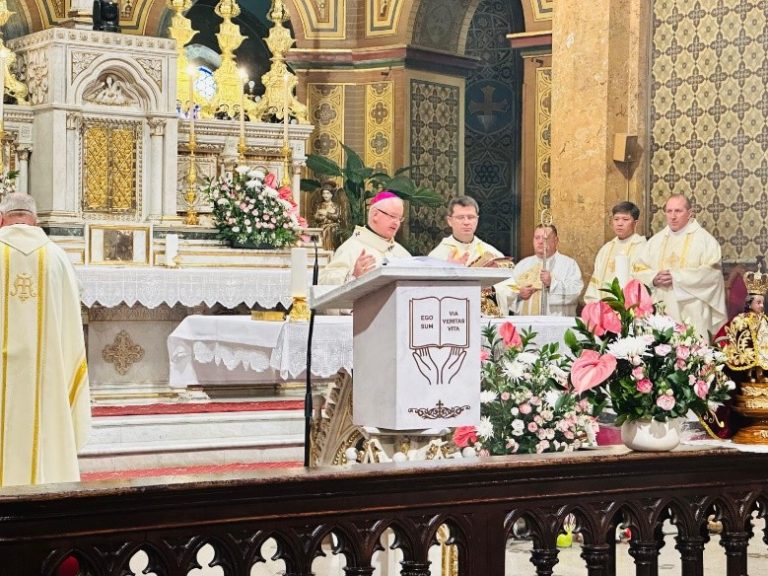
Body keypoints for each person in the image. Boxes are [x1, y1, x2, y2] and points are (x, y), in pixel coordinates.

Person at [0, 193, 91, 486]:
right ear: (34, 219)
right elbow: (70, 330)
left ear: (2, 219)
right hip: (46, 378)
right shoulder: (57, 258)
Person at [632, 194, 727, 338]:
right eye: (669, 211)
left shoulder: (705, 241)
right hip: (661, 310)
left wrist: (676, 277)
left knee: (693, 355)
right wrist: (653, 278)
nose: (673, 216)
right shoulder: (655, 241)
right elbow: (638, 268)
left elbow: (712, 275)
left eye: (678, 211)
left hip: (693, 311)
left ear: (690, 213)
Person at [428, 196, 514, 312]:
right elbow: (430, 293)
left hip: (486, 322)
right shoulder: (437, 256)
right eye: (460, 217)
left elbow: (511, 287)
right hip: (454, 319)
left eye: (471, 217)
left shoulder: (492, 253)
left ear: (477, 219)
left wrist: (488, 288)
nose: (466, 222)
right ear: (449, 221)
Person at [320, 191, 410, 285]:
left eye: (399, 218)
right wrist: (353, 276)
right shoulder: (352, 247)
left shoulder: (401, 252)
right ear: (375, 215)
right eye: (392, 216)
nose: (396, 223)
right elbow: (324, 282)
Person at [503, 224, 583, 316]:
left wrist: (552, 283)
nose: (540, 242)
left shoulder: (569, 265)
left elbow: (575, 293)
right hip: (526, 326)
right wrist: (519, 295)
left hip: (556, 325)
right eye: (537, 238)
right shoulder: (522, 265)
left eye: (545, 238)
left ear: (556, 241)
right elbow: (506, 293)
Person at [584, 201, 647, 302]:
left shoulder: (642, 248)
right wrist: (596, 306)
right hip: (603, 310)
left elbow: (644, 282)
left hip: (628, 310)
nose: (619, 223)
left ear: (635, 223)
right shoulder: (606, 249)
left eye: (625, 219)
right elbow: (595, 284)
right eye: (616, 219)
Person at [313, 183, 342, 251]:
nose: (325, 195)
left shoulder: (335, 205)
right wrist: (322, 217)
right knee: (323, 232)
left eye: (327, 193)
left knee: (330, 231)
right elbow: (316, 218)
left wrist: (326, 213)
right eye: (324, 193)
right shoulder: (319, 205)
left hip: (333, 229)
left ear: (331, 194)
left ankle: (331, 252)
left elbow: (337, 217)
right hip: (322, 227)